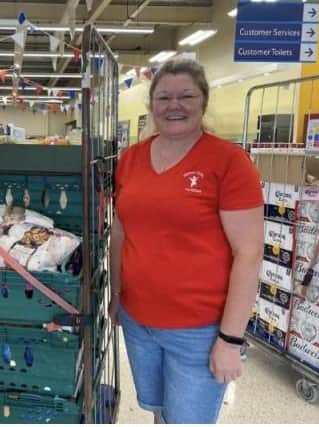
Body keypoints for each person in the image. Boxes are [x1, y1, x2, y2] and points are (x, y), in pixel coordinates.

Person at [108, 58, 264, 424]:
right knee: (160, 412)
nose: (173, 105)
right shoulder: (130, 160)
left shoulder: (228, 162)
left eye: (185, 95)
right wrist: (116, 295)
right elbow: (120, 230)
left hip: (200, 331)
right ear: (151, 105)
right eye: (163, 97)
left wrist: (231, 339)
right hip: (138, 320)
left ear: (203, 102)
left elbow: (249, 252)